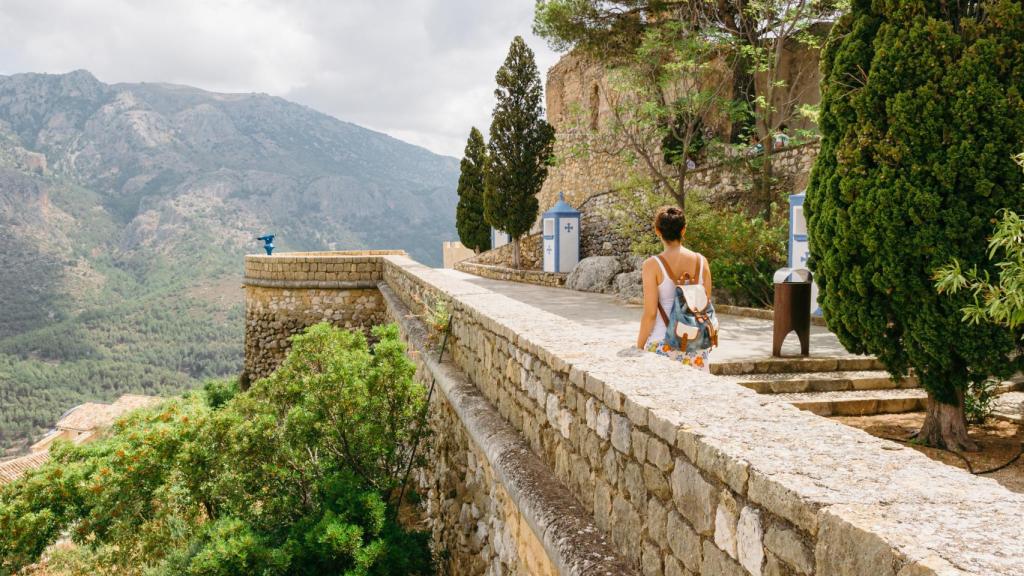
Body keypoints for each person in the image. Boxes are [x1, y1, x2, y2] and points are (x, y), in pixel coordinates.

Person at [636, 206, 714, 370]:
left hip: (662, 343)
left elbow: (650, 314)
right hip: (696, 346)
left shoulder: (652, 265)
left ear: (658, 231)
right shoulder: (701, 262)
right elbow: (704, 305)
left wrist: (638, 346)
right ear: (684, 230)